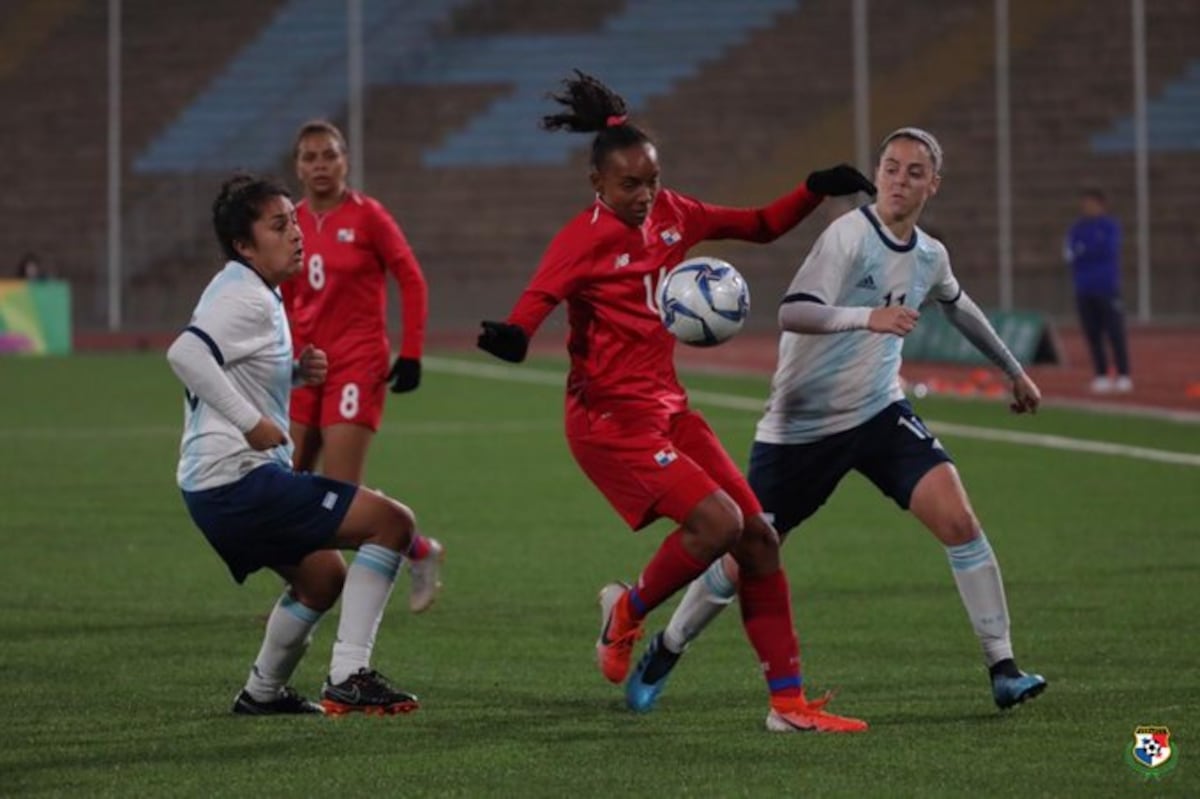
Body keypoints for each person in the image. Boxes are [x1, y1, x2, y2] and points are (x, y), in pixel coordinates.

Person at [476, 70, 876, 733]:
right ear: (597, 184)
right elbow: (534, 305)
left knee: (758, 538)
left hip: (667, 408)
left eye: (651, 180)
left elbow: (756, 225)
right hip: (608, 422)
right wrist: (513, 336)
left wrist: (811, 188)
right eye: (629, 184)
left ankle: (788, 705)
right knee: (717, 524)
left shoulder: (674, 214)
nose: (644, 195)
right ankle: (627, 612)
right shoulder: (582, 239)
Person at [629, 127, 1048, 714]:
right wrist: (866, 318)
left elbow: (958, 305)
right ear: (878, 174)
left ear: (934, 184)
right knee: (747, 553)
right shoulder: (847, 236)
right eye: (892, 168)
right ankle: (669, 645)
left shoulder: (930, 255)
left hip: (879, 413)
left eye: (914, 172)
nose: (900, 180)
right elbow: (793, 311)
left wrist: (1014, 370)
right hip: (799, 429)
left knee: (959, 520)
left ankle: (1003, 666)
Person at [168, 173, 429, 716]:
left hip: (213, 487)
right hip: (238, 479)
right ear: (244, 244)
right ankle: (349, 677)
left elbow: (227, 362)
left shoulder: (244, 286)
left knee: (322, 576)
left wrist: (291, 373)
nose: (296, 234)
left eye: (295, 221)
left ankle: (263, 692)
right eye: (279, 225)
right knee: (393, 523)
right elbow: (185, 356)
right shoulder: (247, 297)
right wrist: (249, 421)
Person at [282, 119, 443, 612]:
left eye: (329, 155)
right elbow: (283, 296)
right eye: (310, 157)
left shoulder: (369, 216)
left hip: (357, 363)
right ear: (298, 167)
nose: (320, 165)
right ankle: (417, 548)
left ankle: (333, 594)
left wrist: (411, 350)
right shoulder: (291, 222)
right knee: (286, 487)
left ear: (345, 160)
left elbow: (411, 279)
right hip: (306, 367)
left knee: (340, 493)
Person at [1064, 187, 1131, 393]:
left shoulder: (1109, 226)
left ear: (1101, 204)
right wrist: (1086, 250)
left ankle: (1123, 374)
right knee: (1092, 334)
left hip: (1106, 287)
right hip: (1084, 288)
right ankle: (1101, 374)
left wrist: (1085, 250)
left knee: (1115, 332)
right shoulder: (1077, 228)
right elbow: (1069, 253)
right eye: (1085, 203)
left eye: (1091, 203)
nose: (1087, 207)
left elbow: (1106, 250)